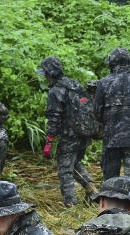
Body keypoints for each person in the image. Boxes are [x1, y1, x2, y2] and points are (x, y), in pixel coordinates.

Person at [36, 56, 96, 207]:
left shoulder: (55, 91)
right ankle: (92, 188)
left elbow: (54, 117)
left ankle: (71, 205)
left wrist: (49, 141)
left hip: (68, 137)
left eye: (45, 74)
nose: (45, 77)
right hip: (84, 134)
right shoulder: (75, 84)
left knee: (64, 171)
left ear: (50, 74)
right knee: (74, 163)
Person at [93, 47, 130, 179]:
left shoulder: (103, 83)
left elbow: (97, 112)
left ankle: (113, 200)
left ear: (112, 63)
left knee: (111, 180)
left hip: (111, 139)